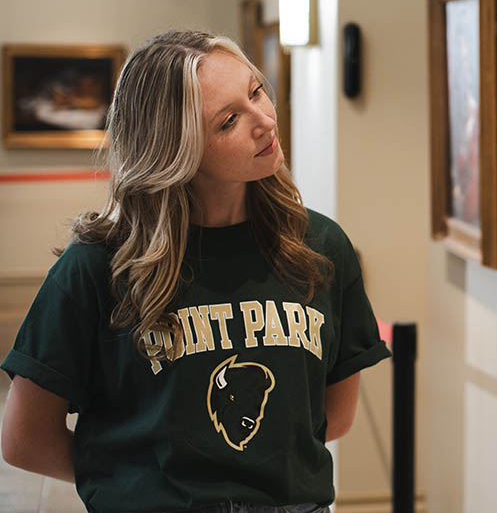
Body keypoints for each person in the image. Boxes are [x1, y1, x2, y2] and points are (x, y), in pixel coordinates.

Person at [0, 30, 391, 512]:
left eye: (256, 91)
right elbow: (24, 437)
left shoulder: (321, 247)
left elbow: (332, 415)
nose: (265, 120)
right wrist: (133, 482)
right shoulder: (97, 266)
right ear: (173, 150)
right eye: (229, 121)